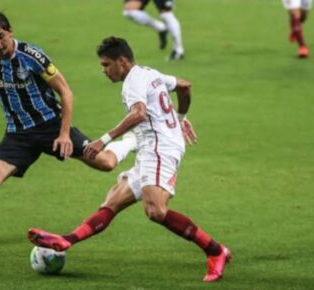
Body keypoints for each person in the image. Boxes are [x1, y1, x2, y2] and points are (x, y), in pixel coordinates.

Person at [28, 36, 231, 282]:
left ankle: (215, 251)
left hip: (159, 148)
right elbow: (185, 86)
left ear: (122, 61)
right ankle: (66, 240)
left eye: (106, 65)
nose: (103, 70)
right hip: (153, 146)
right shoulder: (150, 73)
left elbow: (138, 113)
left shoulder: (133, 81)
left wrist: (103, 139)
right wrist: (181, 118)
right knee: (112, 201)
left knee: (155, 210)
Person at [0, 11, 138, 255]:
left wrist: (64, 134)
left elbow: (66, 92)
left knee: (105, 163)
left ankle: (131, 140)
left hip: (50, 127)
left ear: (10, 31)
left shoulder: (32, 56)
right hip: (18, 133)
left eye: (1, 37)